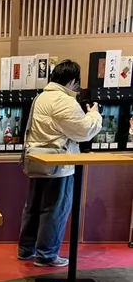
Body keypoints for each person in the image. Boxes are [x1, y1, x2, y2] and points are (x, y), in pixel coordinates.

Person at [18, 60, 102, 267]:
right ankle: (46, 255)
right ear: (72, 81)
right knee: (55, 209)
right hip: (58, 164)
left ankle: (26, 249)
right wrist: (94, 114)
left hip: (37, 160)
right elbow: (83, 131)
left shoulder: (41, 97)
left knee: (33, 207)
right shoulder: (63, 100)